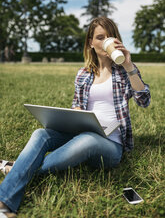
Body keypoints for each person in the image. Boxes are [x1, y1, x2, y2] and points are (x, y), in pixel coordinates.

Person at [0, 17, 151, 217]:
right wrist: (77, 112)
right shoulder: (83, 74)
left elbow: (144, 100)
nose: (105, 41)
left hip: (110, 145)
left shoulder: (124, 72)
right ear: (91, 43)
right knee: (40, 134)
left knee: (87, 140)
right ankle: (4, 205)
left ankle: (17, 169)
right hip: (82, 132)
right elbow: (77, 105)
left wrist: (129, 66)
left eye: (109, 36)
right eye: (100, 37)